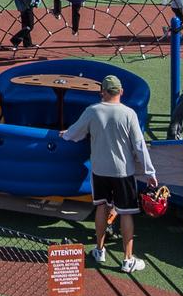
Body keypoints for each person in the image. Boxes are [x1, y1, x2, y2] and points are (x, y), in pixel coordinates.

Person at [61, 74, 157, 273]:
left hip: (100, 170)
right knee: (126, 213)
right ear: (121, 92)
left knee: (101, 207)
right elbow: (139, 145)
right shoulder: (129, 114)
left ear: (102, 92)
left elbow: (74, 134)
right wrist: (149, 171)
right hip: (123, 172)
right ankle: (127, 259)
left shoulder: (92, 111)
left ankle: (99, 249)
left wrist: (65, 134)